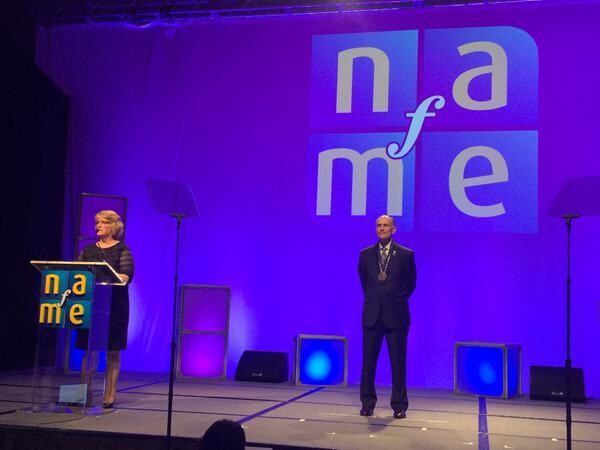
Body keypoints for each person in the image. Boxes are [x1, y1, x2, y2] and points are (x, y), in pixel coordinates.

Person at [358, 214, 416, 419]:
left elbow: (410, 284)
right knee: (368, 363)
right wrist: (376, 299)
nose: (381, 228)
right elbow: (365, 282)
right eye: (378, 225)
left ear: (394, 229)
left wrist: (395, 299)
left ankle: (399, 405)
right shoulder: (365, 255)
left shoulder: (405, 255)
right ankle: (367, 403)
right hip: (372, 315)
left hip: (396, 316)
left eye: (385, 226)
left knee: (398, 362)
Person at [75, 210, 134, 408]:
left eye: (102, 223)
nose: (97, 226)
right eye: (96, 222)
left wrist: (107, 277)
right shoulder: (87, 251)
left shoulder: (122, 250)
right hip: (91, 306)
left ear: (113, 227)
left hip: (114, 307)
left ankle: (109, 395)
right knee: (88, 351)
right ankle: (83, 393)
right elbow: (77, 274)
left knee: (113, 351)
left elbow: (126, 276)